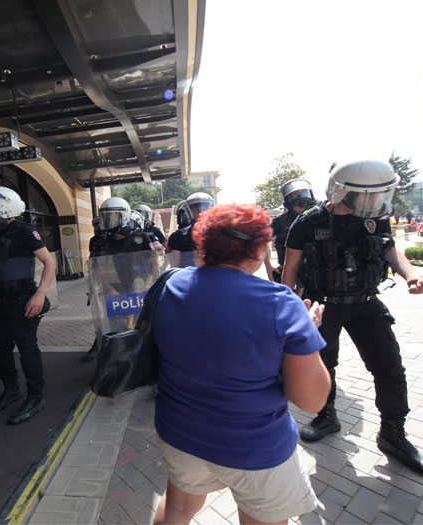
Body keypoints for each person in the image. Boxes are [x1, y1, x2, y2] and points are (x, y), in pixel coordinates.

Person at [151, 203, 330, 525]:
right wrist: (309, 330)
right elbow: (312, 400)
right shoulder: (281, 304)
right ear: (260, 249)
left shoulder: (171, 285)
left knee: (178, 507)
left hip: (179, 432)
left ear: (202, 244)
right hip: (255, 448)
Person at [283, 159, 423, 475]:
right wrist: (290, 313)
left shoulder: (378, 218)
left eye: (377, 195)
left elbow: (392, 252)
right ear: (341, 193)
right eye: (366, 195)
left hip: (366, 303)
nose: (373, 202)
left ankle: (393, 434)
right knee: (323, 365)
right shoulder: (308, 223)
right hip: (323, 306)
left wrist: (410, 276)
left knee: (390, 367)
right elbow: (290, 271)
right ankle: (326, 416)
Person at [0, 186, 56, 425]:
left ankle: (36, 396)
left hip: (25, 301)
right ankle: (12, 389)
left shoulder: (24, 231)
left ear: (6, 207)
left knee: (27, 349)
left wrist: (40, 294)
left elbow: (49, 262)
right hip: (1, 304)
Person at [82, 197, 153, 361]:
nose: (109, 220)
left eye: (113, 216)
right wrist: (107, 287)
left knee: (137, 318)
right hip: (113, 285)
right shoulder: (101, 242)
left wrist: (149, 283)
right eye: (106, 216)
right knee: (109, 319)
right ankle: (102, 346)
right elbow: (96, 266)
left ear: (124, 216)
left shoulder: (140, 238)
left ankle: (137, 350)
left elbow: (153, 263)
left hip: (136, 282)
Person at [264, 179, 318, 282]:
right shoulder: (281, 221)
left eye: (303, 192)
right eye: (296, 194)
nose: (301, 197)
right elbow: (260, 238)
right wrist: (268, 266)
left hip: (313, 274)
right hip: (287, 273)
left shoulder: (318, 217)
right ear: (288, 199)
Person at [167, 192, 215, 266]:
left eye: (204, 208)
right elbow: (175, 267)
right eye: (196, 208)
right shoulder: (178, 236)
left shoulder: (219, 234)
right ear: (189, 211)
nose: (200, 212)